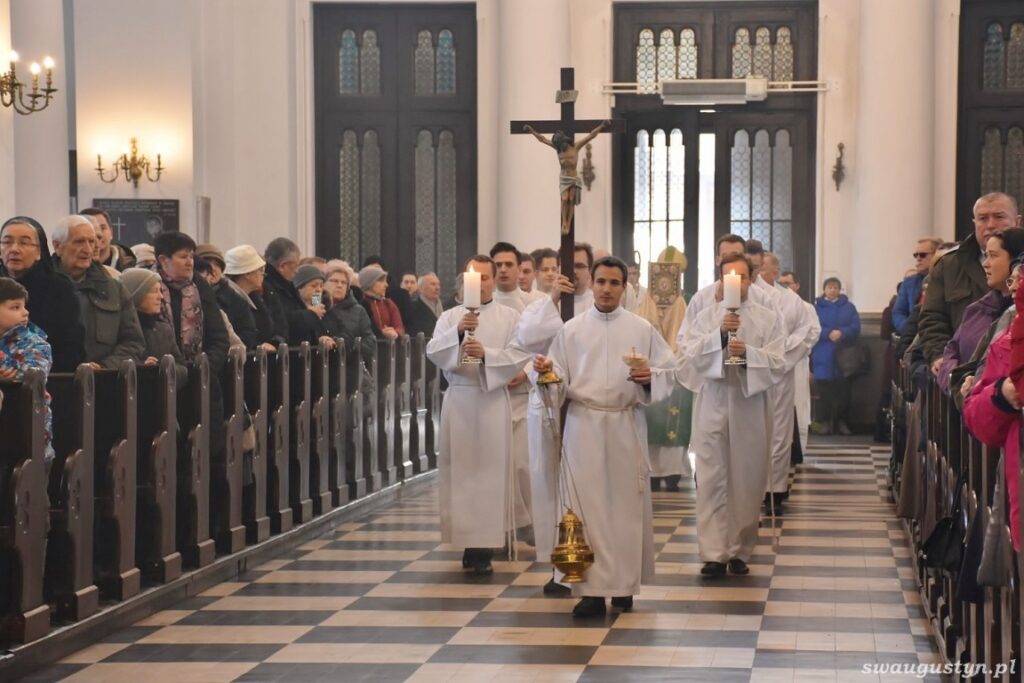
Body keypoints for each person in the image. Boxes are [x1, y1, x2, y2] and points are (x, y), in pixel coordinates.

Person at [533, 255, 676, 616]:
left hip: (626, 423)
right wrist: (547, 374)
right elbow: (557, 381)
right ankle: (592, 592)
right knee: (586, 508)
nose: (607, 289)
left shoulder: (642, 329)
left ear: (624, 287)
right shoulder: (572, 330)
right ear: (592, 284)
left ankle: (624, 586)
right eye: (601, 282)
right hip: (584, 425)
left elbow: (668, 371)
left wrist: (650, 378)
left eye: (614, 283)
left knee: (625, 508)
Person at [677, 253, 784, 578]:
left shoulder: (767, 318)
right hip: (714, 398)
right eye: (728, 277)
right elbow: (688, 354)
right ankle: (713, 553)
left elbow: (778, 361)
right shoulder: (706, 316)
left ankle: (739, 549)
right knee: (711, 477)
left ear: (751, 279)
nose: (735, 282)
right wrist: (720, 336)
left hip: (748, 401)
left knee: (747, 477)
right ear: (720, 281)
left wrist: (748, 354)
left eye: (741, 276)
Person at [426, 255, 531, 576]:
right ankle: (467, 541)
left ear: (493, 281)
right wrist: (458, 333)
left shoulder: (510, 317)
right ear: (463, 283)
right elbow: (433, 351)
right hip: (459, 399)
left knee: (490, 474)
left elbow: (519, 353)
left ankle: (484, 546)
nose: (481, 283)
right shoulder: (450, 317)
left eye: (485, 277)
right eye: (474, 277)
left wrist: (488, 356)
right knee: (461, 474)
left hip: (491, 400)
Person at [918, 192, 1021, 374]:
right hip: (960, 368)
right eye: (983, 218)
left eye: (999, 217)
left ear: (1017, 221)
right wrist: (942, 359)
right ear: (974, 222)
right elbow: (933, 318)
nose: (990, 225)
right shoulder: (949, 265)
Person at [756, 253, 820, 513]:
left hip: (781, 374)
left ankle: (775, 489)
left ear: (775, 272)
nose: (760, 272)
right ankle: (751, 489)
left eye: (765, 268)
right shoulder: (744, 296)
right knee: (752, 433)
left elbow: (809, 330)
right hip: (750, 372)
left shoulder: (791, 300)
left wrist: (784, 351)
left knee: (780, 432)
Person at [935, 228, 1024, 395]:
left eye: (993, 256)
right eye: (986, 256)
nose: (985, 264)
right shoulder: (976, 309)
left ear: (1017, 261)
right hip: (968, 400)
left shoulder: (1016, 314)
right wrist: (959, 381)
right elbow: (951, 350)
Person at [52, 215, 145, 369]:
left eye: (92, 241)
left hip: (103, 379)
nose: (88, 249)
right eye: (79, 242)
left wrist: (104, 368)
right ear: (57, 246)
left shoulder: (115, 290)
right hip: (54, 380)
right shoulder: (40, 288)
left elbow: (133, 343)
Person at [635, 247, 692, 491]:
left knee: (668, 421)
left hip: (663, 370)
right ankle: (669, 472)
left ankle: (664, 471)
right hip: (667, 370)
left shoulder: (661, 301)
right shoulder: (677, 301)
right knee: (656, 420)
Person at [0, 216, 85, 372]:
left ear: (39, 252)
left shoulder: (60, 288)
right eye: (7, 242)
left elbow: (70, 348)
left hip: (50, 377)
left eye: (24, 243)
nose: (14, 249)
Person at [523, 120, 610, 236]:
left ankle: (568, 223)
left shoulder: (576, 146)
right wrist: (531, 131)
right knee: (564, 199)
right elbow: (542, 139)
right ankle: (564, 222)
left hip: (573, 177)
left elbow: (590, 136)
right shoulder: (557, 148)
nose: (562, 149)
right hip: (564, 177)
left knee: (571, 199)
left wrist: (601, 126)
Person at [0, 277, 53, 463]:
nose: (25, 312)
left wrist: (5, 370)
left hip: (28, 425)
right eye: (15, 307)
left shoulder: (35, 342)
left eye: (23, 306)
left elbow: (34, 374)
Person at [118, 268, 187, 387]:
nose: (161, 296)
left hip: (161, 396)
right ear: (136, 295)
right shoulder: (119, 329)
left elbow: (182, 368)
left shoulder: (163, 329)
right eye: (154, 291)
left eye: (160, 290)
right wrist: (142, 369)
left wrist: (163, 369)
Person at [810, 277, 861, 435]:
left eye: (835, 287)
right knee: (823, 391)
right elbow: (811, 327)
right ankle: (824, 422)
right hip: (822, 353)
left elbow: (856, 327)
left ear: (839, 290)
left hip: (843, 355)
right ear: (824, 290)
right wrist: (827, 333)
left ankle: (842, 422)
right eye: (829, 287)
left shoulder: (849, 307)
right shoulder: (815, 308)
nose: (832, 290)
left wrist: (842, 332)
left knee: (844, 392)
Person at [196, 243, 260, 350]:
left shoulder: (235, 298)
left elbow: (248, 331)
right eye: (207, 263)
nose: (213, 269)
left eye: (217, 264)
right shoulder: (190, 296)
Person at [224, 245, 280, 349]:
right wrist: (258, 347)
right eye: (260, 270)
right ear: (247, 273)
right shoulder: (227, 300)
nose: (263, 274)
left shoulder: (253, 297)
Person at [323, 260, 376, 362]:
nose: (339, 285)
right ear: (324, 283)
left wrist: (352, 350)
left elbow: (370, 340)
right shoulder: (316, 304)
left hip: (349, 365)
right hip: (321, 365)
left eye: (344, 282)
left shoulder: (358, 310)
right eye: (334, 281)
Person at [892, 237, 941, 334]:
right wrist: (910, 330)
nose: (918, 258)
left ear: (937, 255)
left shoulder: (946, 280)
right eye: (916, 255)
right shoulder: (909, 283)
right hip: (912, 334)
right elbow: (898, 312)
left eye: (923, 255)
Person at [290, 264, 336, 349]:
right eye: (313, 286)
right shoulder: (294, 310)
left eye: (321, 286)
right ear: (299, 288)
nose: (318, 290)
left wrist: (329, 338)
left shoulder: (326, 308)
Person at [359, 265, 405, 339]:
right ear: (369, 283)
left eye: (385, 281)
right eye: (381, 281)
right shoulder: (360, 304)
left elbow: (399, 327)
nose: (386, 285)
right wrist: (381, 333)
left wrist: (395, 332)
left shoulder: (389, 304)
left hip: (390, 345)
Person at [404, 272, 443, 338]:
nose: (437, 288)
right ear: (421, 288)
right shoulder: (412, 309)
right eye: (433, 284)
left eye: (438, 284)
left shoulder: (445, 307)